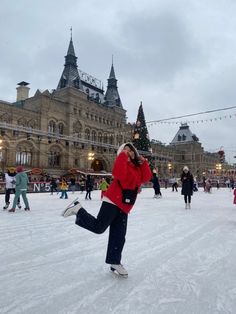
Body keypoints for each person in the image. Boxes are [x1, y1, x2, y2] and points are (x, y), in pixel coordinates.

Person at [62, 142, 152, 277]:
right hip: (112, 200)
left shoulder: (136, 167)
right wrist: (122, 155)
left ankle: (115, 262)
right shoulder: (122, 163)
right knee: (99, 227)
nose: (129, 152)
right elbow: (119, 174)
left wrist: (143, 163)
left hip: (125, 206)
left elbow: (146, 178)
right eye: (126, 150)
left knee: (119, 236)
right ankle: (78, 209)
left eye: (131, 150)